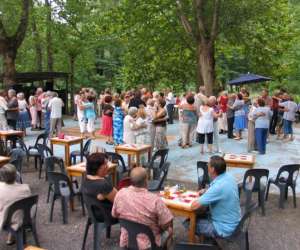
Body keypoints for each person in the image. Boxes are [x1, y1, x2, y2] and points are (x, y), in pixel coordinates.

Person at [112, 167, 173, 250]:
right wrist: (162, 229)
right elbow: (166, 224)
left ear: (130, 179)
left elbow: (114, 214)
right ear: (146, 180)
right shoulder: (155, 200)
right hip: (149, 244)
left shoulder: (120, 193)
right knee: (169, 231)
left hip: (127, 240)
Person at [190, 156, 241, 238]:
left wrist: (192, 199)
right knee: (201, 212)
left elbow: (194, 206)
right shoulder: (229, 177)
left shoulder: (218, 187)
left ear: (213, 169)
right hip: (234, 222)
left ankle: (201, 243)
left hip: (223, 228)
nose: (207, 165)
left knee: (189, 222)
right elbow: (216, 189)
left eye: (208, 164)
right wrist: (206, 190)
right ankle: (207, 239)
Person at [0, 164, 31, 245]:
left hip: (5, 220)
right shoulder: (25, 188)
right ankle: (11, 237)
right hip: (22, 218)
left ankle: (11, 236)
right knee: (13, 209)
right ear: (16, 175)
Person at [81, 153, 118, 219]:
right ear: (98, 168)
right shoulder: (103, 185)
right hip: (107, 215)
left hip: (94, 214)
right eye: (105, 164)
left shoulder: (86, 180)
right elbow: (119, 201)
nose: (108, 166)